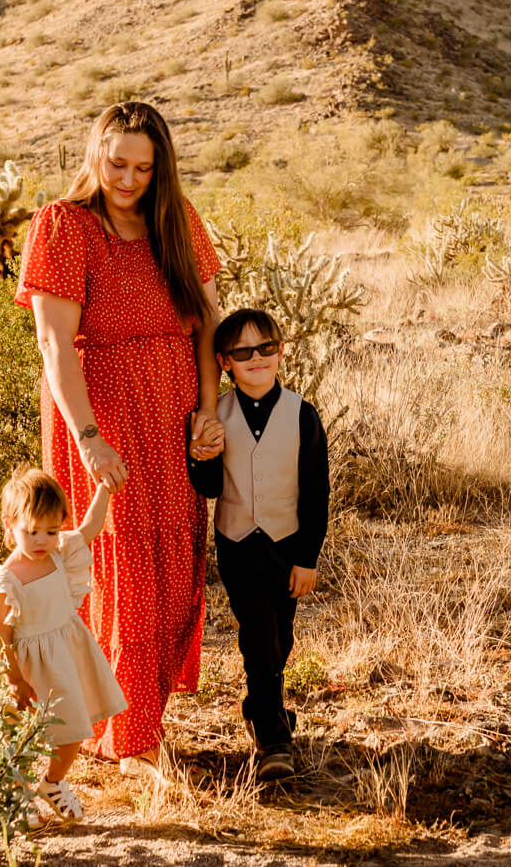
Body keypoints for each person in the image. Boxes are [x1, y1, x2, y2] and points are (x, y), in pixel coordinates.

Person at [15, 101, 222, 777]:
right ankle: (129, 739)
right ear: (94, 153)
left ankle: (140, 717)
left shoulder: (177, 221)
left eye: (142, 166)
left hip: (174, 415)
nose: (127, 178)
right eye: (116, 162)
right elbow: (54, 342)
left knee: (173, 566)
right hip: (104, 412)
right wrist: (89, 437)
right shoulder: (64, 225)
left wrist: (209, 411)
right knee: (119, 564)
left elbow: (208, 325)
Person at [187, 308, 330, 781]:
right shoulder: (214, 415)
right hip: (237, 542)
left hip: (287, 543)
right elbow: (208, 487)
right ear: (225, 361)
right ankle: (273, 737)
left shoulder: (301, 413)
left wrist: (307, 559)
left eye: (266, 348)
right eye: (244, 352)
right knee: (259, 633)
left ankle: (259, 706)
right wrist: (200, 454)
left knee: (281, 636)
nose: (257, 359)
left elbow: (315, 492)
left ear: (281, 351)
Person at [0, 467, 127, 822]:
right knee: (16, 735)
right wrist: (14, 679)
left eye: (51, 530)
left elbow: (91, 527)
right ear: (9, 524)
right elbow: (0, 635)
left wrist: (104, 489)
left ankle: (53, 782)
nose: (43, 540)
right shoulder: (5, 580)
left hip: (62, 657)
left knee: (73, 729)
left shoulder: (59, 553)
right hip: (21, 663)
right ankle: (17, 795)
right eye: (32, 532)